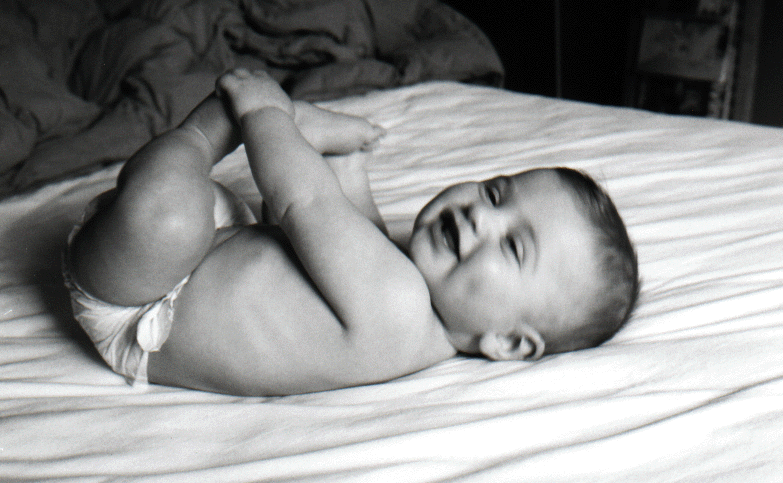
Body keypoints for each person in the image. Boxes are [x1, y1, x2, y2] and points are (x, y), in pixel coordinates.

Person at [64, 69, 638, 396]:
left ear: (508, 343)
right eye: (494, 192)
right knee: (206, 215)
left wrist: (264, 115)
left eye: (513, 246)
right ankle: (310, 144)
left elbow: (304, 201)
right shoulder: (408, 297)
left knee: (171, 218)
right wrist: (348, 165)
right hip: (216, 242)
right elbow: (350, 228)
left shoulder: (399, 309)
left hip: (136, 307)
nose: (480, 217)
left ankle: (203, 131)